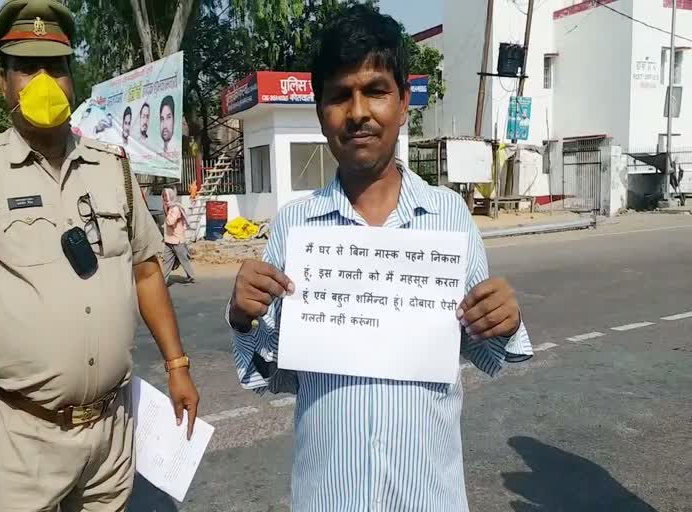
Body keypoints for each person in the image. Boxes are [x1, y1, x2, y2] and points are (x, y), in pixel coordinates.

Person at [227, 6, 533, 511]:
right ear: (321, 111)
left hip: (427, 497)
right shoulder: (295, 228)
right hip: (327, 498)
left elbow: (486, 354)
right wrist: (243, 318)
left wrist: (504, 319)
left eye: (374, 90)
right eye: (339, 95)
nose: (358, 112)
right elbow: (278, 376)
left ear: (403, 100)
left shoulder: (448, 216)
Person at [0, 2, 199, 511]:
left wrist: (177, 364)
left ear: (72, 77)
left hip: (111, 436)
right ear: (3, 83)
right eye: (27, 68)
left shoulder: (112, 168)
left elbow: (145, 269)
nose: (44, 81)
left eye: (56, 67)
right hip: (22, 441)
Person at [161, 188, 196, 284]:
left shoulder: (175, 208)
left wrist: (166, 210)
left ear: (170, 196)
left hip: (177, 240)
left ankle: (191, 276)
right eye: (163, 196)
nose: (164, 198)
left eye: (165, 196)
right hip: (169, 239)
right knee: (166, 261)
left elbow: (170, 222)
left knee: (183, 259)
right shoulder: (169, 207)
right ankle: (163, 281)